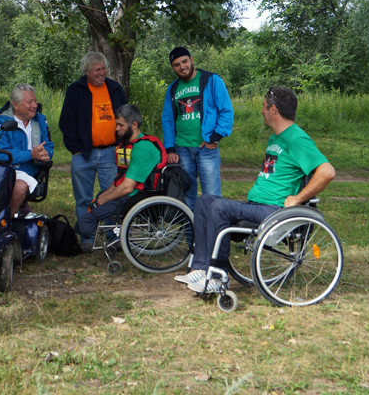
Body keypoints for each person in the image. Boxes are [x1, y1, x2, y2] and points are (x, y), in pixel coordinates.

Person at [174, 87, 336, 293]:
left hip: (274, 211)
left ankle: (216, 276)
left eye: (263, 106)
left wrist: (297, 198)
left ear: (273, 109)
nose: (261, 111)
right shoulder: (276, 138)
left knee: (220, 207)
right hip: (257, 205)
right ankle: (200, 267)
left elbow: (327, 172)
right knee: (205, 201)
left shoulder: (296, 139)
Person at [59, 52, 128, 251]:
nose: (102, 73)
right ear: (87, 71)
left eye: (104, 68)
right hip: (84, 154)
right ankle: (87, 238)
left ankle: (111, 237)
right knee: (83, 198)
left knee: (112, 196)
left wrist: (122, 144)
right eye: (97, 69)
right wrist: (75, 149)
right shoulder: (76, 90)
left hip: (110, 152)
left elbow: (124, 117)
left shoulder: (115, 88)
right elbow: (67, 122)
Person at [75, 104, 166, 240]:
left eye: (120, 125)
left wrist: (103, 200)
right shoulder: (129, 145)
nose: (116, 129)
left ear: (134, 125)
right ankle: (96, 235)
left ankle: (89, 236)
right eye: (116, 124)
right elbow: (120, 179)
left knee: (91, 215)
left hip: (138, 196)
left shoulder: (142, 149)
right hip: (130, 193)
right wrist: (102, 197)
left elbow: (128, 187)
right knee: (98, 198)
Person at [162, 47, 234, 211]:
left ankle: (214, 235)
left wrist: (216, 136)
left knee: (212, 197)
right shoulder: (173, 89)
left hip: (206, 149)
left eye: (184, 61)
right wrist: (170, 148)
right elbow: (167, 119)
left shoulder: (211, 80)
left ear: (192, 59)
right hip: (182, 150)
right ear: (173, 67)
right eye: (176, 64)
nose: (182, 67)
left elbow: (226, 110)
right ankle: (191, 235)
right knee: (187, 197)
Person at [0, 83, 54, 217]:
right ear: (16, 105)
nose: (35, 106)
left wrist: (45, 153)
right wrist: (31, 154)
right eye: (30, 102)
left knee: (19, 187)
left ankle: (6, 221)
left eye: (35, 101)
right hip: (4, 170)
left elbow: (49, 145)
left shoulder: (40, 120)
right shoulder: (0, 123)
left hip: (29, 171)